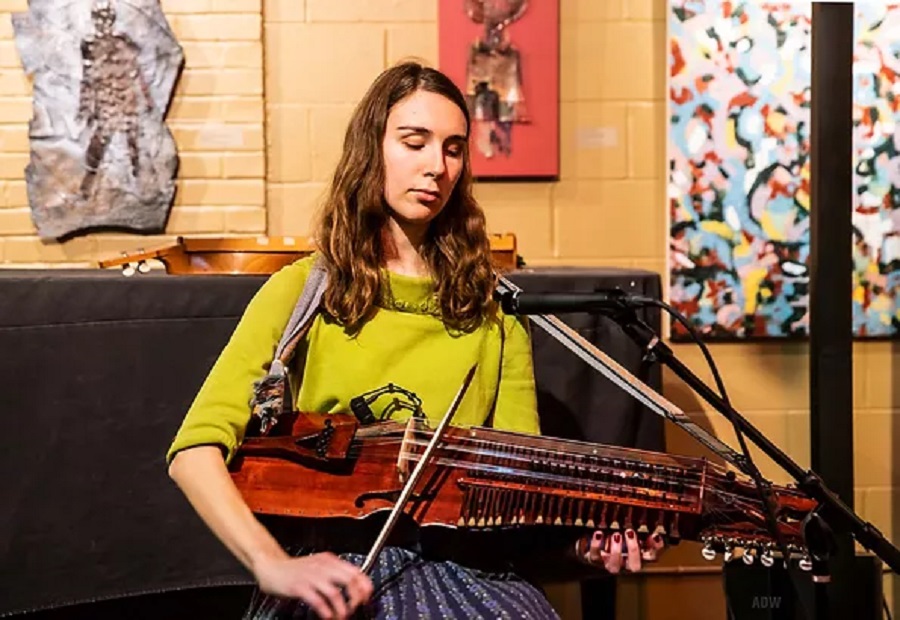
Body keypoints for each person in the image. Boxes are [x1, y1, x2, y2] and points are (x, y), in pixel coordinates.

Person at [166, 61, 664, 620]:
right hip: (336, 572)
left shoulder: (494, 311)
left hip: (470, 574)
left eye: (453, 149)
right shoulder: (301, 293)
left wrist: (580, 548)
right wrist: (269, 563)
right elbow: (194, 452)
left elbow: (514, 494)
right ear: (370, 149)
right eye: (414, 141)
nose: (436, 167)